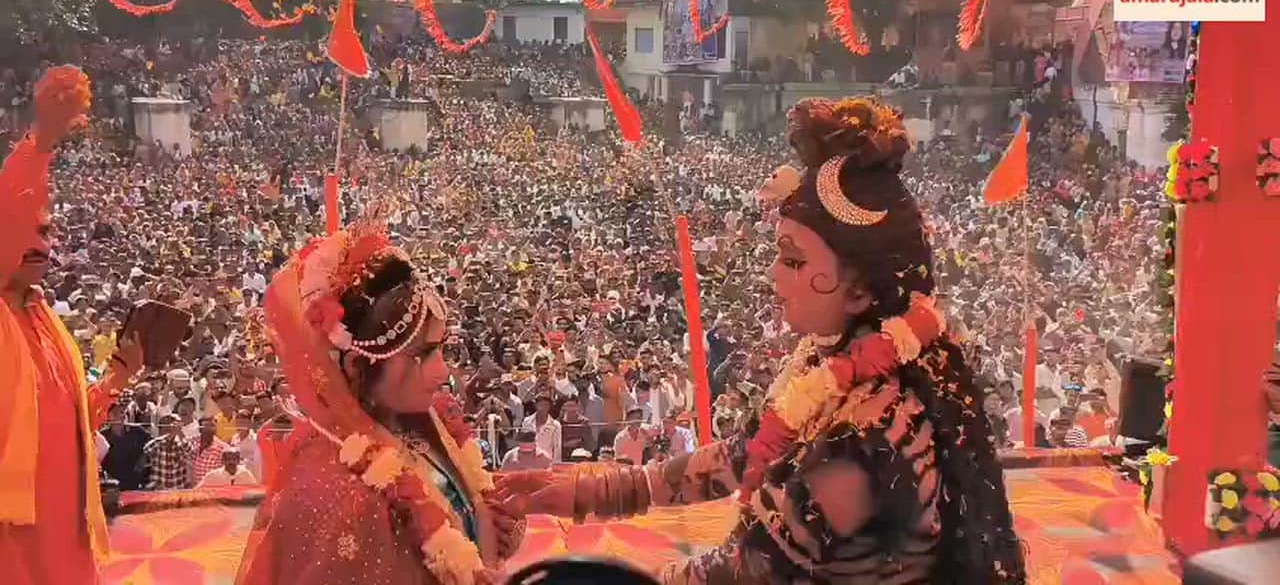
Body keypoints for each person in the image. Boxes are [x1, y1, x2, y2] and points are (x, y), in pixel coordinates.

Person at [500, 98, 1024, 583]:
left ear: (862, 290)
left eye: (794, 260)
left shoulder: (873, 433)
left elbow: (743, 569)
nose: (774, 275)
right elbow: (744, 452)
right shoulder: (834, 363)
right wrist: (592, 490)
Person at [235, 224, 524, 585]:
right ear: (358, 368)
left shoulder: (419, 427)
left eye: (442, 348)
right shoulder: (335, 494)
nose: (443, 372)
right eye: (423, 355)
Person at [0, 66, 145, 584]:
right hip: (14, 542)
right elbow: (11, 208)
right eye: (31, 232)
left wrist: (116, 380)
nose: (44, 244)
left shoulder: (45, 321)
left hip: (67, 535)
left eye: (49, 232)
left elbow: (67, 423)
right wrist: (40, 142)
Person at [145, 413, 196, 489]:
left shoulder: (182, 443)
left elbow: (191, 452)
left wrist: (180, 433)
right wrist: (169, 436)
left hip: (177, 490)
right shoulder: (156, 443)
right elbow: (147, 450)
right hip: (158, 491)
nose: (172, 428)